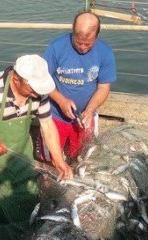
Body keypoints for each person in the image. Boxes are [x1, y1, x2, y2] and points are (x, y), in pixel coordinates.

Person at [0, 54, 73, 238]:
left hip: (22, 155)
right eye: (33, 89)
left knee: (26, 199)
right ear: (16, 79)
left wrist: (59, 159)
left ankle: (22, 237)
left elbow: (47, 125)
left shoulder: (38, 94)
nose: (37, 94)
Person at [38, 12, 117, 162]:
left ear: (97, 36)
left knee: (83, 158)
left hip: (85, 118)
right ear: (73, 32)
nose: (82, 48)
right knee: (50, 160)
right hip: (54, 116)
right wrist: (61, 101)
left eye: (88, 44)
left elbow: (103, 87)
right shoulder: (56, 47)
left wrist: (90, 110)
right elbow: (42, 80)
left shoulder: (105, 52)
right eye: (78, 42)